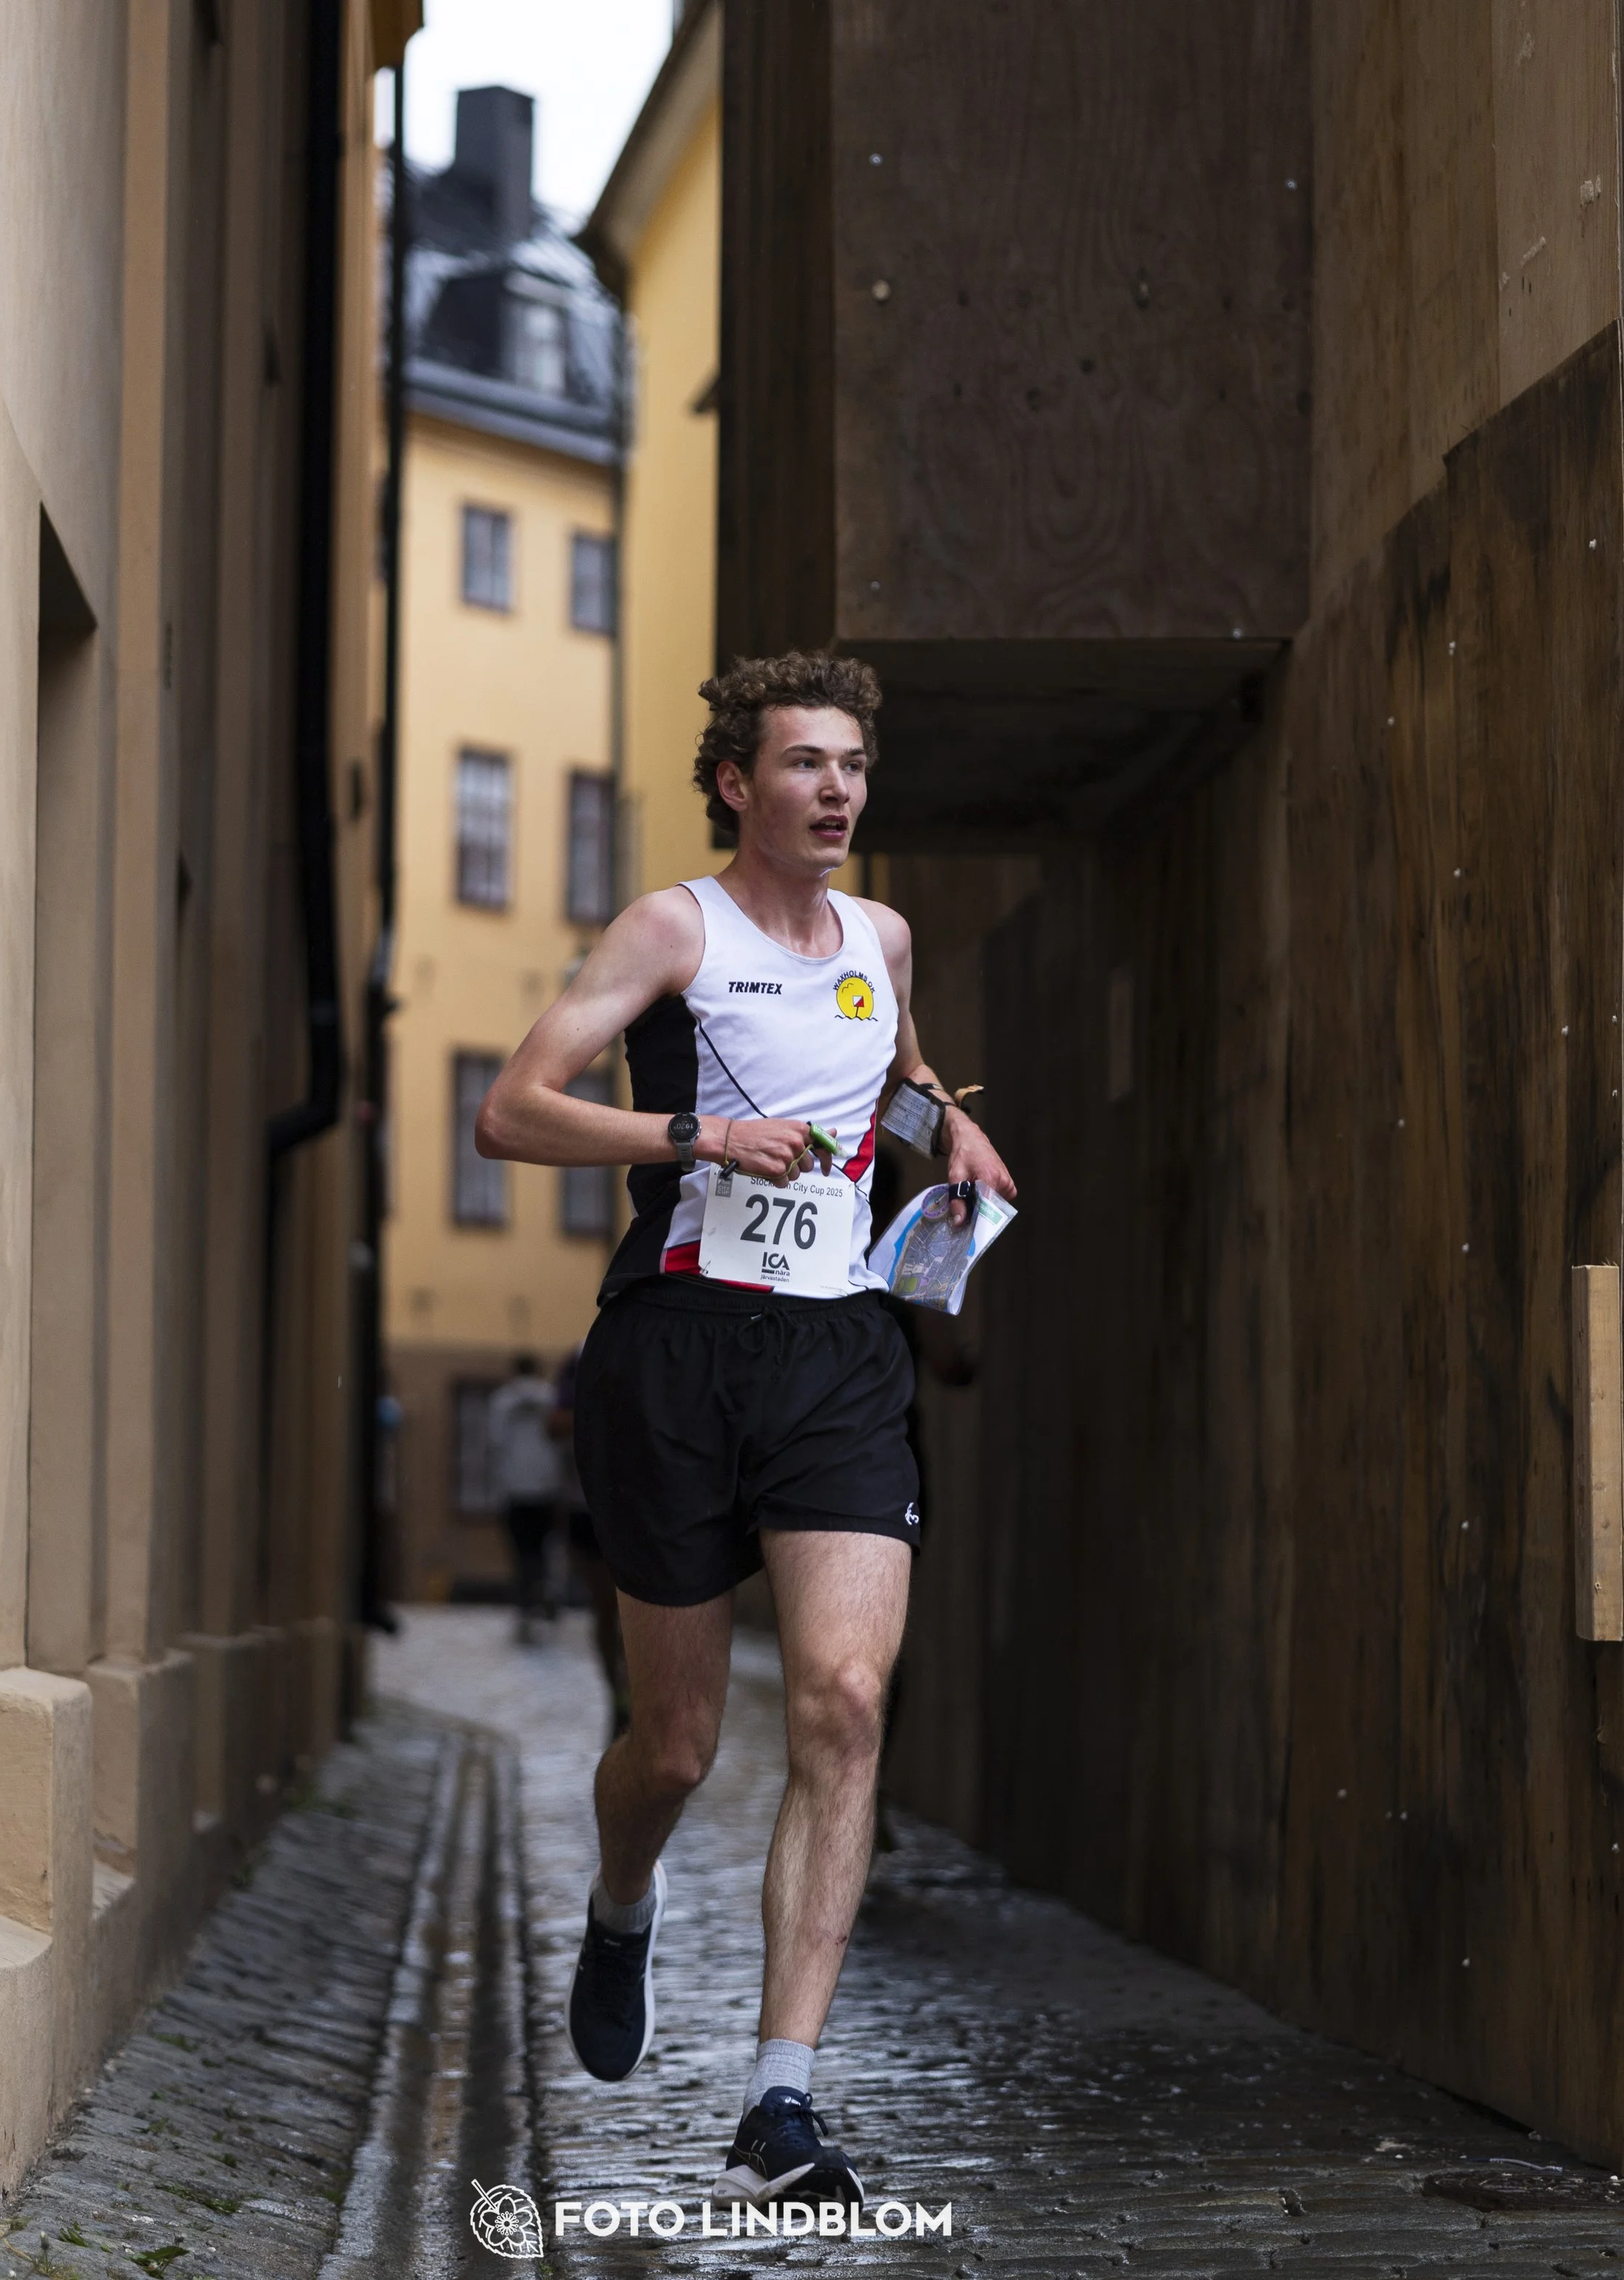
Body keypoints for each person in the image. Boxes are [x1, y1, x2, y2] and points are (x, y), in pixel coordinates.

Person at [475, 651, 1016, 2211]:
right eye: (801, 763)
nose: (835, 789)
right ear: (735, 782)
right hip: (677, 1346)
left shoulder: (880, 935)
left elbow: (886, 1071)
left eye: (851, 764)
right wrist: (693, 1131)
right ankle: (623, 1892)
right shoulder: (671, 927)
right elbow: (511, 1109)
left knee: (843, 1696)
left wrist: (945, 1113)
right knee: (680, 1741)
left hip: (841, 1346)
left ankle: (780, 2092)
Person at [550, 1343, 630, 1737]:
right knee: (607, 1609)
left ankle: (637, 1696)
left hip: (645, 1509)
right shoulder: (582, 1357)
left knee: (636, 1613)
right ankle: (618, 1694)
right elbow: (555, 1424)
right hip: (589, 1505)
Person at [486, 1354, 560, 1643]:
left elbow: (495, 1444)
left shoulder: (502, 1401)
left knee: (521, 1551)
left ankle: (525, 1605)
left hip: (514, 1489)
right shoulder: (551, 1397)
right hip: (546, 1487)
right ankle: (544, 1595)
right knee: (545, 1548)